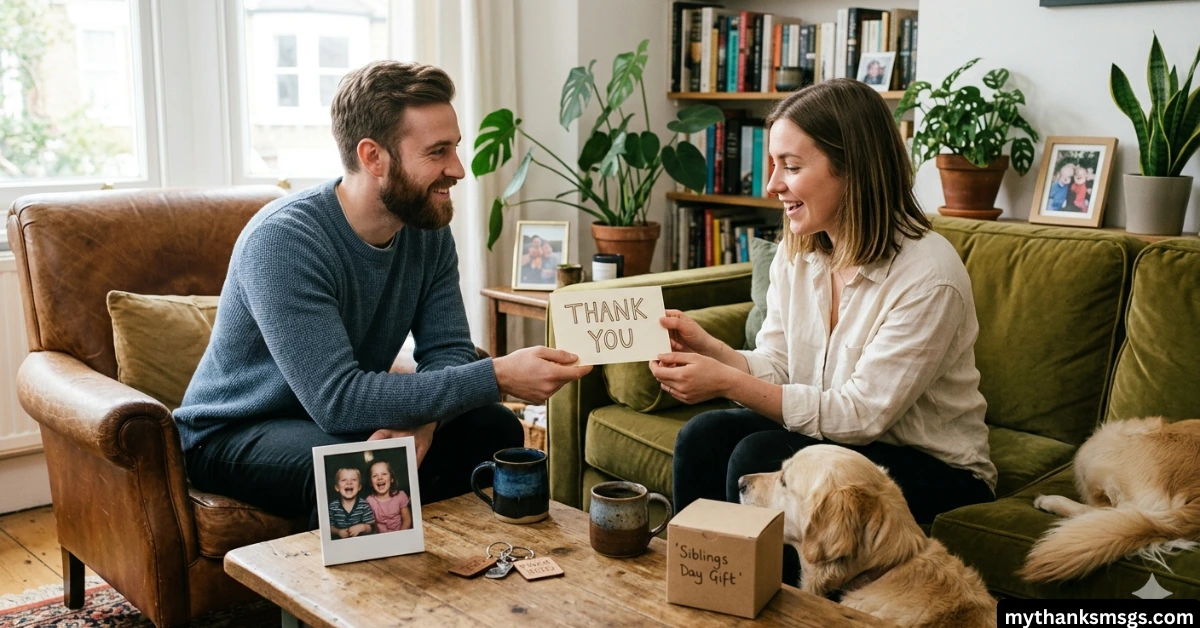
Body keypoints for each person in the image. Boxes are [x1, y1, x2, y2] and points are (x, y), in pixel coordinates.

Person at [175, 60, 592, 523]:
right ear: (374, 157)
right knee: (359, 467)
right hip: (236, 431)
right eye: (437, 152)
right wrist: (498, 376)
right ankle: (353, 595)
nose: (458, 169)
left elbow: (449, 349)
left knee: (492, 425)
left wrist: (424, 421)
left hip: (336, 415)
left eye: (455, 147)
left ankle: (457, 570)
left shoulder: (426, 227)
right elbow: (337, 401)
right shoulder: (285, 242)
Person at [651, 80, 996, 580]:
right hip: (839, 447)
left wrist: (726, 382)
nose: (772, 185)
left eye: (791, 167)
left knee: (759, 453)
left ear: (853, 170)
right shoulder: (801, 250)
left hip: (932, 464)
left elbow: (861, 415)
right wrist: (714, 351)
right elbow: (781, 366)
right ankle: (703, 591)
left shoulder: (929, 277)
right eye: (775, 165)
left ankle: (766, 608)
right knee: (703, 435)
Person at [366, 459, 412, 533]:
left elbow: (407, 520)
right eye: (375, 475)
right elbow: (370, 526)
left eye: (384, 474)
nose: (380, 478)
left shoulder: (400, 496)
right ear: (371, 482)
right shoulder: (370, 501)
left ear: (391, 479)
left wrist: (400, 536)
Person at [329, 467, 375, 540]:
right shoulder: (333, 506)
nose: (349, 482)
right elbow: (328, 527)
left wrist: (362, 527)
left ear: (359, 487)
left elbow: (371, 527)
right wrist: (338, 532)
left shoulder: (364, 505)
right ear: (337, 487)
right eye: (344, 480)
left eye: (353, 479)